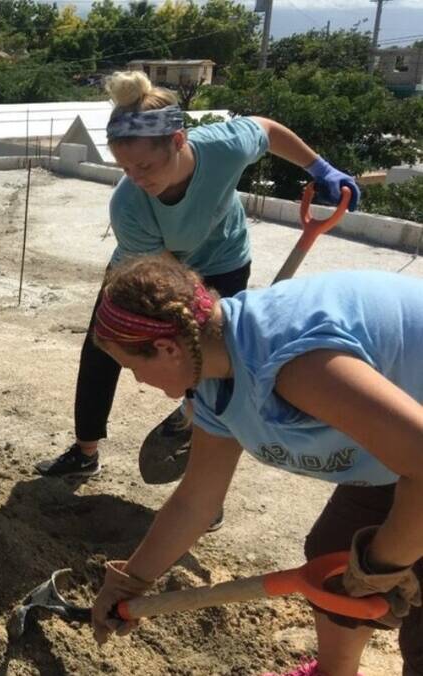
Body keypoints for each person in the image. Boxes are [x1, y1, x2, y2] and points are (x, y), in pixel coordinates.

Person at [35, 71, 362, 505]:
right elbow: (160, 281)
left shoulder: (223, 148)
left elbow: (265, 129)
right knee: (104, 349)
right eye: (125, 168)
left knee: (214, 359)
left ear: (178, 140)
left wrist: (319, 168)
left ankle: (203, 491)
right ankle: (85, 450)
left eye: (145, 166)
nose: (136, 177)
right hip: (148, 267)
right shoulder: (129, 204)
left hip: (225, 259)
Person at [87, 256, 422, 676]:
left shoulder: (294, 366)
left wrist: (381, 568)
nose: (137, 381)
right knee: (334, 553)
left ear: (166, 348)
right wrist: (131, 580)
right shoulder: (210, 377)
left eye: (133, 367)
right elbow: (196, 501)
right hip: (400, 443)